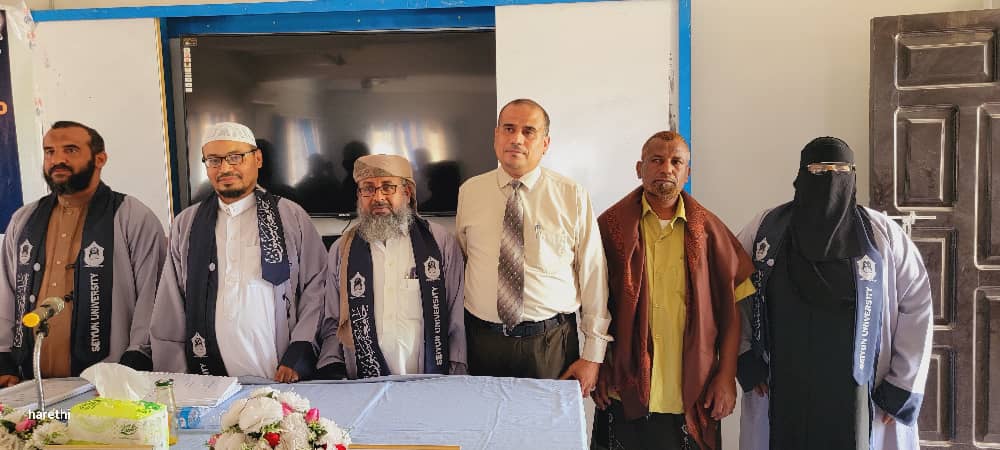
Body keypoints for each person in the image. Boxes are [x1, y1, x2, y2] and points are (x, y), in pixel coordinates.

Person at [736, 137, 934, 450]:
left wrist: (902, 384)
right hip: (784, 377)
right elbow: (733, 291)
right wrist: (745, 356)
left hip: (859, 384)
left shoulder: (882, 235)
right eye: (818, 171)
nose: (830, 179)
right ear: (800, 176)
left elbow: (917, 305)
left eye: (840, 171)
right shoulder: (766, 229)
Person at [591, 131, 754, 450]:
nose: (666, 168)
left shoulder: (710, 232)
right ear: (639, 168)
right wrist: (597, 365)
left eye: (676, 162)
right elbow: (591, 307)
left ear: (687, 172)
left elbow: (731, 313)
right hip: (622, 389)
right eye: (656, 160)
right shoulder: (610, 228)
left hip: (692, 390)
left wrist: (726, 376)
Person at [455, 98, 612, 394]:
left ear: (545, 143)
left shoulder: (571, 196)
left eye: (529, 131)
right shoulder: (470, 192)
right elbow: (464, 260)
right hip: (482, 342)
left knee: (548, 424)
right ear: (496, 136)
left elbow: (593, 274)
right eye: (509, 129)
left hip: (549, 345)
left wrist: (593, 355)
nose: (517, 138)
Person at [151, 122, 326, 382]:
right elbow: (171, 304)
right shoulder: (187, 224)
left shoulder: (290, 216)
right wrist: (178, 377)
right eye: (214, 160)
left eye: (235, 157)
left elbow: (317, 287)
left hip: (281, 374)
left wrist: (300, 350)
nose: (224, 168)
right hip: (209, 381)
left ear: (257, 159)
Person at [0, 120, 166, 385]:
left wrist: (137, 357)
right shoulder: (24, 220)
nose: (58, 160)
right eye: (50, 151)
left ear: (100, 159)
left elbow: (153, 296)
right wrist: (4, 357)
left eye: (71, 150)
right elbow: (6, 292)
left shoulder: (131, 216)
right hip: (30, 382)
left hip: (108, 383)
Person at [315, 154, 466, 379]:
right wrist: (332, 366)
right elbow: (332, 320)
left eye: (388, 187)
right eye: (368, 188)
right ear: (359, 195)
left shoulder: (439, 242)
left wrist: (455, 374)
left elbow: (455, 316)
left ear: (407, 193)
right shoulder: (342, 249)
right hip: (364, 382)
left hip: (429, 379)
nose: (378, 197)